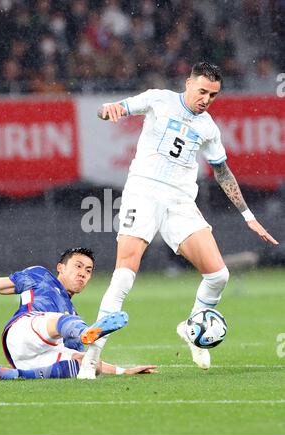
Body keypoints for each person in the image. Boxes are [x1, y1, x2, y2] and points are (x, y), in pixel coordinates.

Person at [78, 62, 279, 380]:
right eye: (202, 91)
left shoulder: (209, 128)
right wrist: (109, 111)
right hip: (143, 193)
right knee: (124, 276)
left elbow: (222, 171)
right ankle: (91, 358)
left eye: (213, 95)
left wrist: (248, 216)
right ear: (188, 83)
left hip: (180, 203)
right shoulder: (159, 99)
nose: (206, 99)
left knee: (218, 276)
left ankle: (192, 327)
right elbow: (111, 109)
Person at [0, 247, 156, 380]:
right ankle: (86, 332)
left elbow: (85, 358)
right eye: (78, 266)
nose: (83, 273)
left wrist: (123, 371)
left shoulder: (71, 312)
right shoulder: (40, 276)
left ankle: (13, 375)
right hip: (24, 331)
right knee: (66, 321)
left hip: (32, 359)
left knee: (86, 363)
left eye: (88, 271)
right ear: (61, 267)